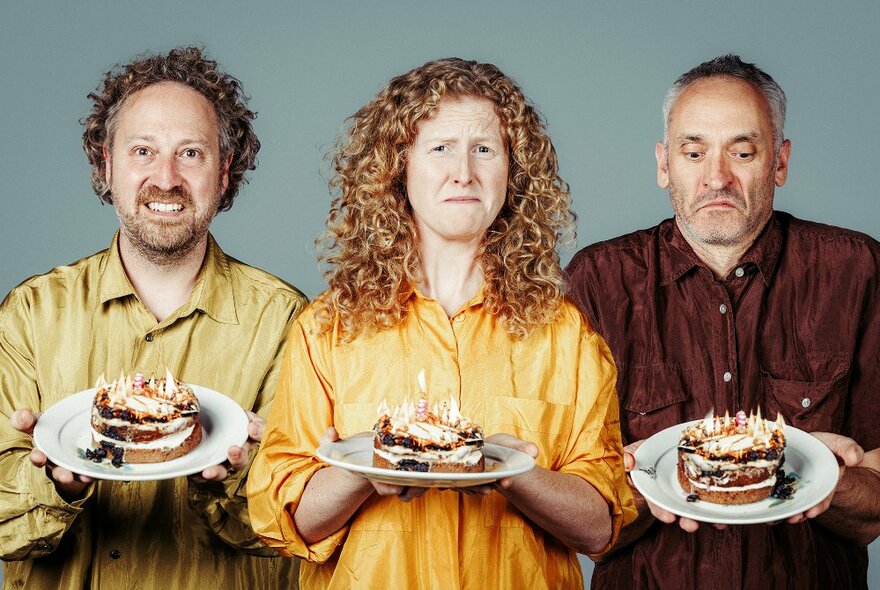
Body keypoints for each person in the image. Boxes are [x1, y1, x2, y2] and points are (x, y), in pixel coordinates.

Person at [247, 57, 636, 589]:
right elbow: (283, 520)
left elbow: (601, 527)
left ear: (513, 171)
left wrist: (512, 473)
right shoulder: (329, 328)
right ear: (397, 167)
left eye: (484, 149)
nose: (464, 173)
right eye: (439, 149)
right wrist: (364, 468)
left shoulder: (565, 336)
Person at [566, 54, 880, 589]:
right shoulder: (596, 280)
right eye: (694, 152)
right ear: (664, 164)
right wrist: (629, 484)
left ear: (779, 162)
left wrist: (827, 479)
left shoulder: (857, 271)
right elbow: (580, 520)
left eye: (743, 151)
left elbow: (872, 506)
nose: (717, 177)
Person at [0, 47, 306, 589]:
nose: (166, 178)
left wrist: (243, 483)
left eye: (191, 153)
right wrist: (57, 487)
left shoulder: (286, 321)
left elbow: (302, 526)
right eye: (143, 150)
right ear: (106, 163)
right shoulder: (29, 314)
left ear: (224, 168)